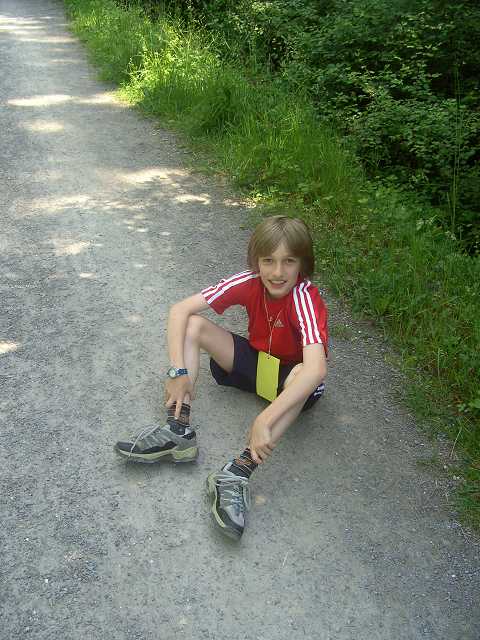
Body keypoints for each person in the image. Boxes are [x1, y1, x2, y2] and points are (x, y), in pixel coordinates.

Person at [114, 216, 328, 540]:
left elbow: (316, 370)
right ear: (256, 261)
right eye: (268, 261)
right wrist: (177, 371)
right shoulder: (249, 280)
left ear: (303, 264)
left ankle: (237, 472)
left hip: (292, 382)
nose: (277, 272)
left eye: (289, 261)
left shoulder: (305, 297)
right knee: (194, 325)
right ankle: (178, 430)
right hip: (260, 366)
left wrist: (263, 419)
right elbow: (179, 310)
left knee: (302, 375)